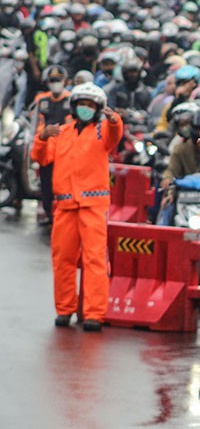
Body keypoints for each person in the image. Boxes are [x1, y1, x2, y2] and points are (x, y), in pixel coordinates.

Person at [31, 83, 123, 331]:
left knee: (95, 260)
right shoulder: (61, 132)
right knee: (63, 260)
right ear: (73, 107)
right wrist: (41, 138)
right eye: (82, 104)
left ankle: (94, 314)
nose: (85, 108)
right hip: (65, 206)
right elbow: (41, 157)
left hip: (93, 206)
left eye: (90, 105)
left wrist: (114, 119)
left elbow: (115, 134)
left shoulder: (102, 132)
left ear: (98, 109)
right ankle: (64, 310)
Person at [32, 65, 71, 225]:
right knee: (46, 183)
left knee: (62, 184)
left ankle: (61, 213)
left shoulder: (71, 99)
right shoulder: (42, 100)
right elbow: (35, 123)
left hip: (64, 149)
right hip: (45, 147)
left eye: (58, 80)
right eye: (52, 80)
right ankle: (49, 213)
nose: (55, 83)